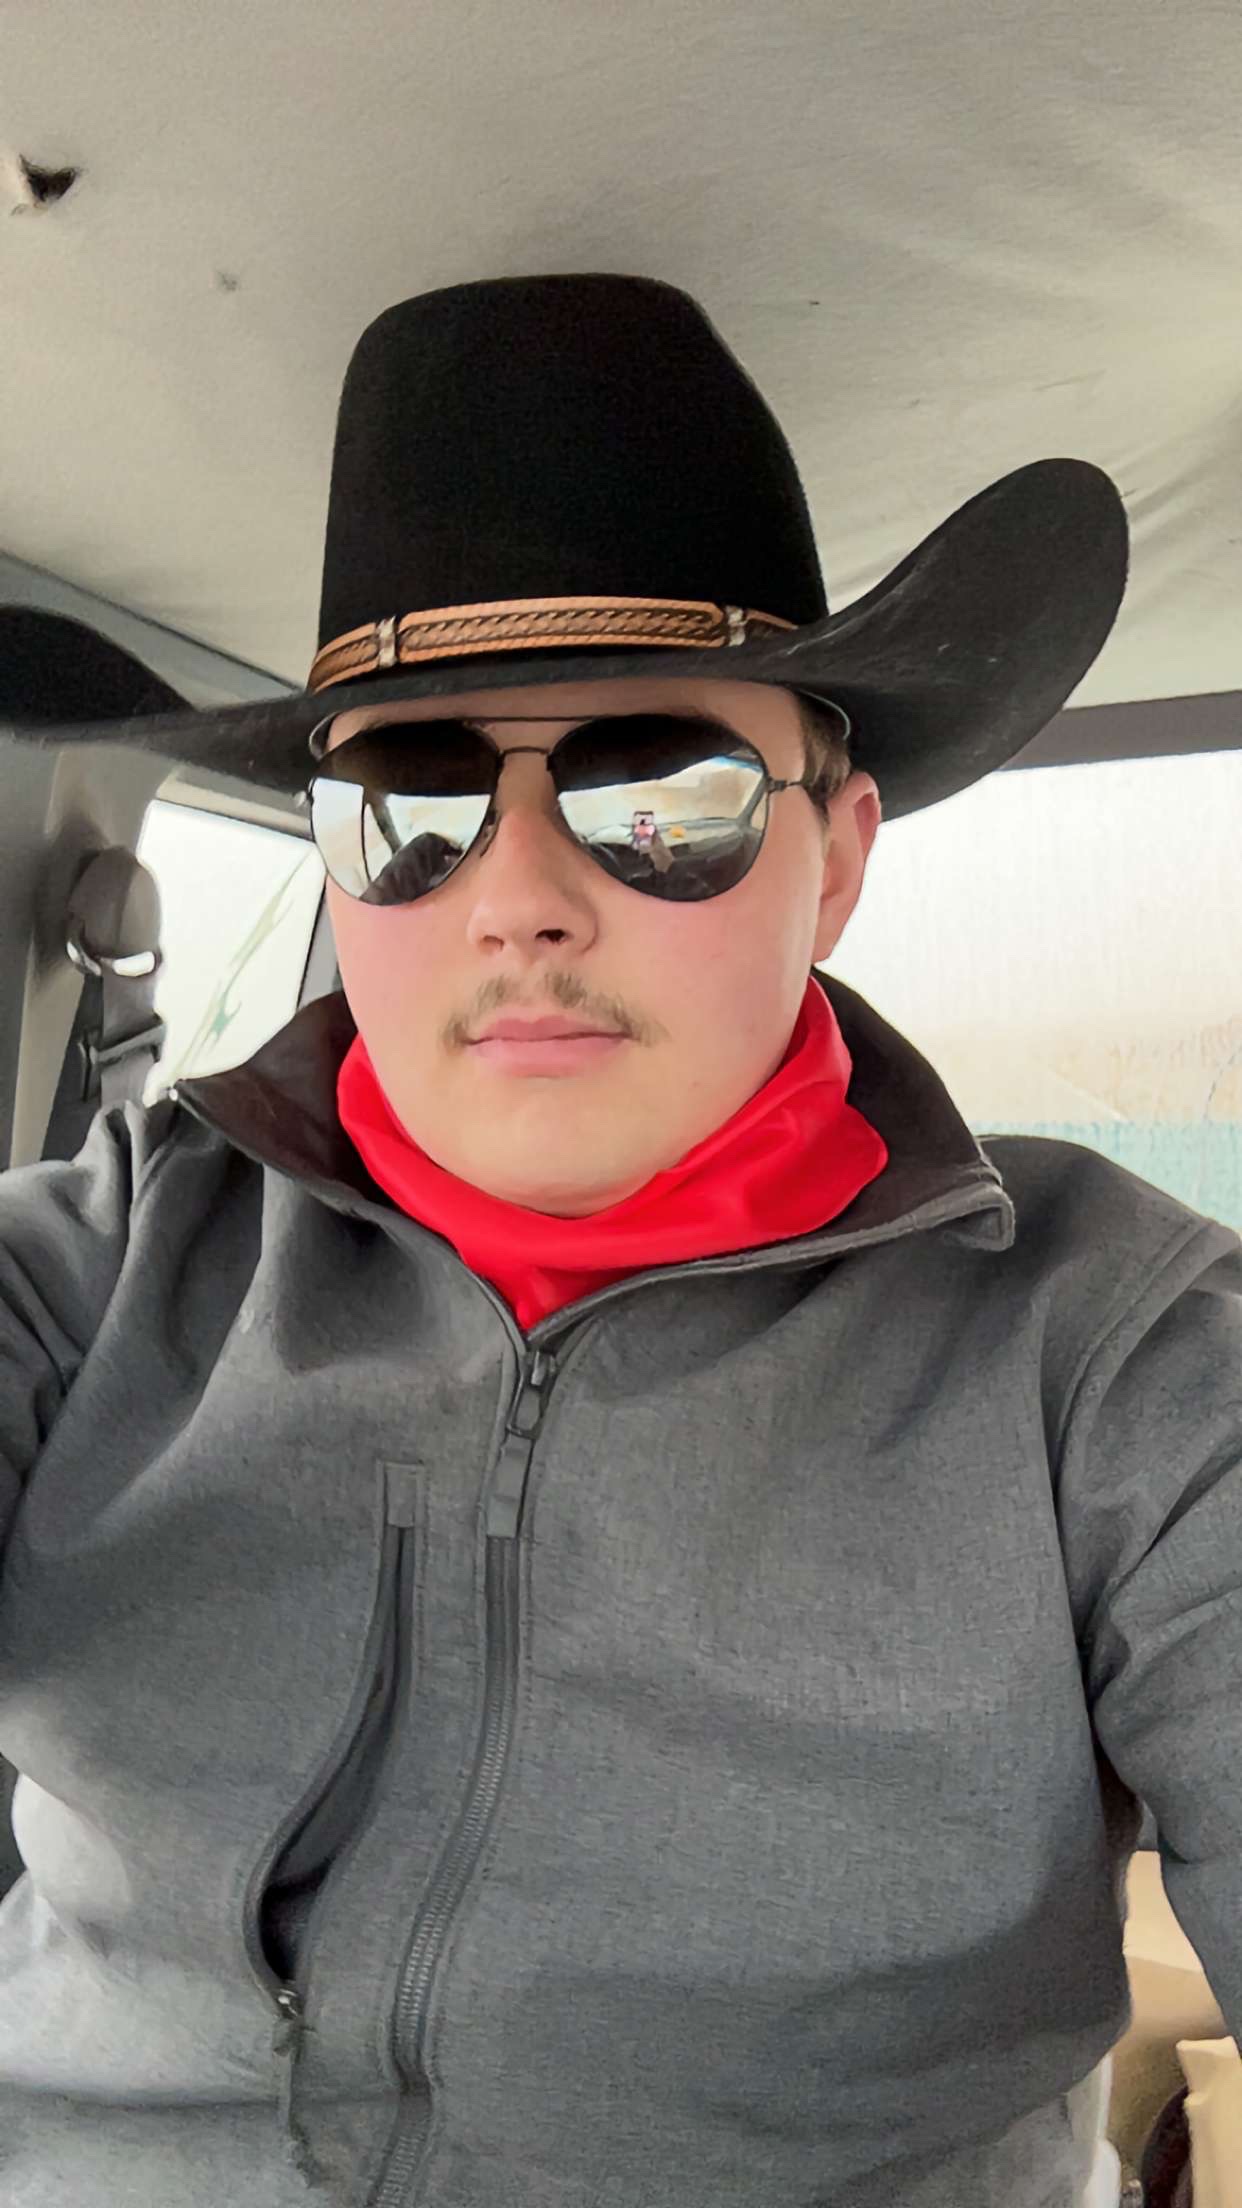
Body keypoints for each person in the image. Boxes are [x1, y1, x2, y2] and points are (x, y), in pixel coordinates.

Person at [0, 273, 1235, 2208]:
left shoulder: (1118, 1361)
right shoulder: (100, 1269)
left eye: (658, 797)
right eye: (404, 809)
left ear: (836, 857)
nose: (517, 898)